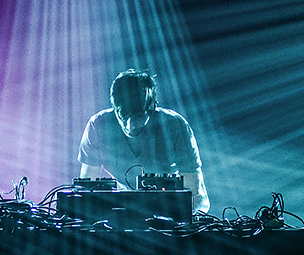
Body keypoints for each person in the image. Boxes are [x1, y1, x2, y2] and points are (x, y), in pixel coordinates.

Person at [78, 69, 210, 213]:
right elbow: (85, 191)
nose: (130, 125)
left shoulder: (174, 126)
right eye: (122, 116)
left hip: (169, 210)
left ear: (153, 108)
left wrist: (181, 216)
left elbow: (198, 196)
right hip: (121, 212)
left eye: (138, 116)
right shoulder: (98, 126)